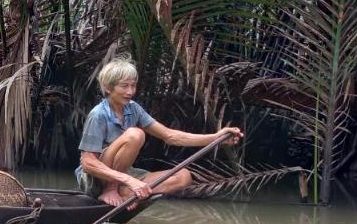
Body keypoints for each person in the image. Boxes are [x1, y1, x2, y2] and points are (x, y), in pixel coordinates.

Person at [76, 56, 243, 207]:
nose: (130, 92)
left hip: (123, 176)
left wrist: (216, 138)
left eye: (133, 85)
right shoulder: (98, 115)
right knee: (136, 134)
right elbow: (88, 163)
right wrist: (127, 180)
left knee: (184, 177)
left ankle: (125, 193)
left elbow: (170, 136)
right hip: (95, 180)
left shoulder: (133, 109)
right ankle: (111, 189)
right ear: (108, 88)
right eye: (124, 86)